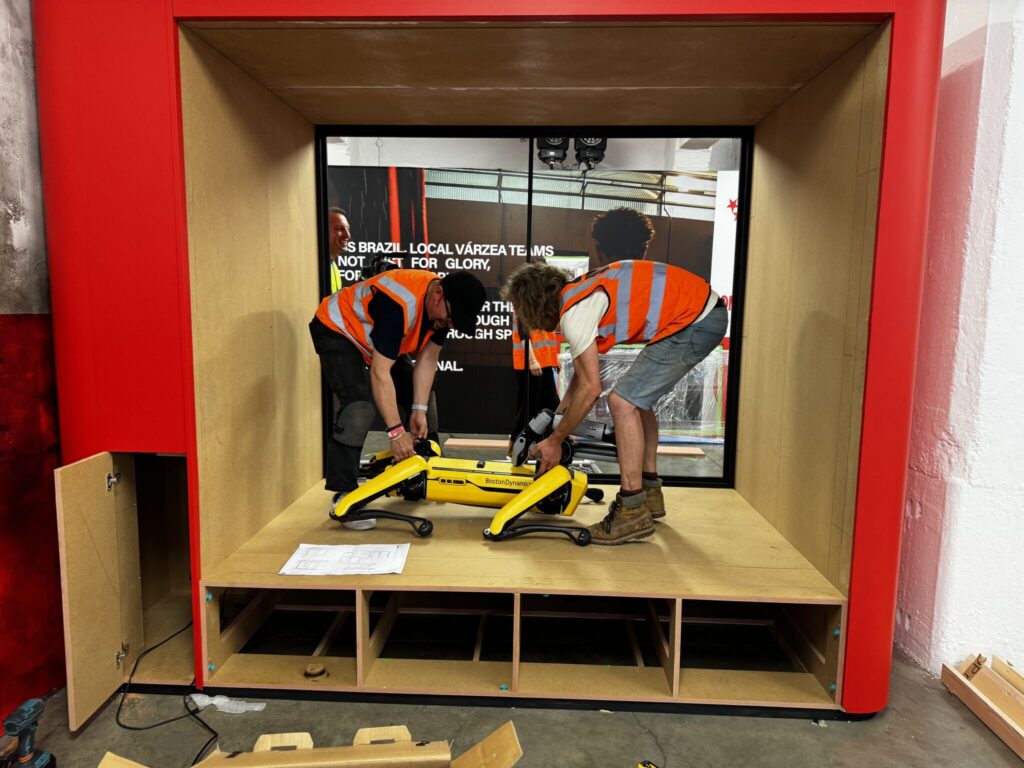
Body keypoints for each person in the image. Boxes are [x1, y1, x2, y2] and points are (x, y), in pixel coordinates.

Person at [501, 255, 727, 545]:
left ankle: (631, 510)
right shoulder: (578, 296)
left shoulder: (575, 312)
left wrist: (556, 440)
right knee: (637, 401)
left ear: (533, 304)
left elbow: (591, 389)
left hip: (695, 320)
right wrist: (559, 415)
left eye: (520, 310)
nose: (523, 319)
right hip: (697, 313)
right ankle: (650, 494)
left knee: (622, 401)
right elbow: (582, 376)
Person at [310, 269, 486, 505]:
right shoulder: (397, 305)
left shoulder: (442, 308)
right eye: (450, 318)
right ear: (437, 294)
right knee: (358, 408)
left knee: (424, 402)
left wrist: (419, 409)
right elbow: (380, 372)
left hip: (374, 338)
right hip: (338, 329)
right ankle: (344, 492)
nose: (450, 325)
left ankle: (428, 469)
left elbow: (428, 359)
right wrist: (396, 434)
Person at [509, 317, 561, 452]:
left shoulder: (541, 308)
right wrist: (532, 361)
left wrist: (554, 359)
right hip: (530, 364)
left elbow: (547, 337)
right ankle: (515, 445)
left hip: (544, 362)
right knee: (529, 407)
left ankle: (553, 443)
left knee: (551, 404)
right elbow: (523, 334)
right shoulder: (524, 306)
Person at [327, 207, 352, 294]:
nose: (347, 235)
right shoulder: (313, 267)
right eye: (339, 228)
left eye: (347, 229)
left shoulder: (334, 266)